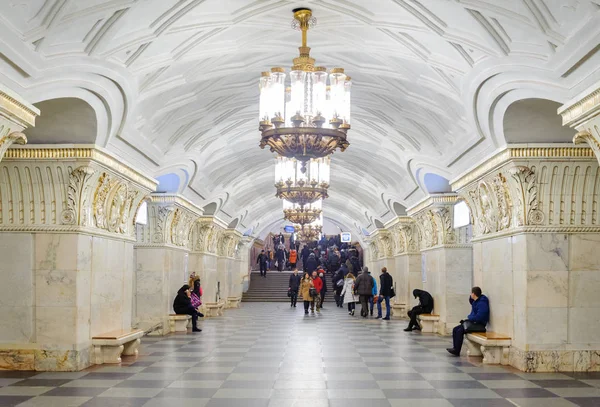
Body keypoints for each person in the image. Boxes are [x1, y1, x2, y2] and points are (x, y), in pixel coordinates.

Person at [447, 287, 490, 356]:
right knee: (455, 329)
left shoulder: (482, 303)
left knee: (460, 331)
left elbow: (480, 317)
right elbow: (471, 301)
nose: (470, 295)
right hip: (474, 322)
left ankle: (457, 350)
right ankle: (455, 348)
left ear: (473, 294)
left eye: (471, 293)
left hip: (479, 325)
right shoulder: (476, 301)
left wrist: (470, 318)